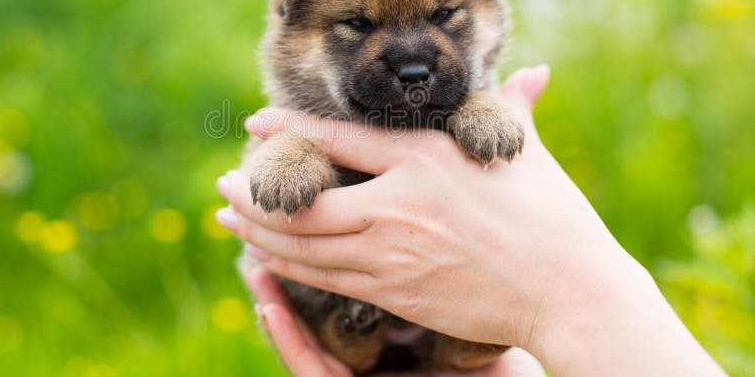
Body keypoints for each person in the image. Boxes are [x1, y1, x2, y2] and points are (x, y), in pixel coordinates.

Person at [215, 65, 725, 376]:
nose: (412, 58)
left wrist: (553, 299)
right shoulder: (310, 110)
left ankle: (470, 342)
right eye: (361, 25)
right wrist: (291, 150)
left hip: (465, 348)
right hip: (341, 328)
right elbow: (281, 149)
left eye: (442, 16)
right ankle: (351, 333)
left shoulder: (476, 101)